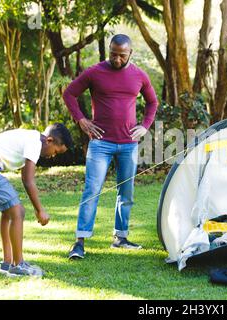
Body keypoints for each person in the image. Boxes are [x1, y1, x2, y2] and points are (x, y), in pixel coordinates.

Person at [63, 34, 158, 260]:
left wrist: (145, 126)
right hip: (100, 144)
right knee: (92, 190)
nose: (116, 59)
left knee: (126, 192)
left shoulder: (139, 75)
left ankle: (120, 238)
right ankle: (79, 242)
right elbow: (69, 93)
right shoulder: (95, 72)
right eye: (113, 54)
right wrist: (81, 120)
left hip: (128, 144)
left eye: (121, 55)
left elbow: (152, 102)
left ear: (130, 54)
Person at [0, 123, 73, 277]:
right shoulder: (35, 143)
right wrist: (40, 210)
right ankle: (18, 265)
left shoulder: (32, 138)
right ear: (49, 140)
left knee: (8, 212)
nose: (53, 155)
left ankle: (7, 263)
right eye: (55, 151)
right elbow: (27, 180)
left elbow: (25, 176)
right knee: (18, 211)